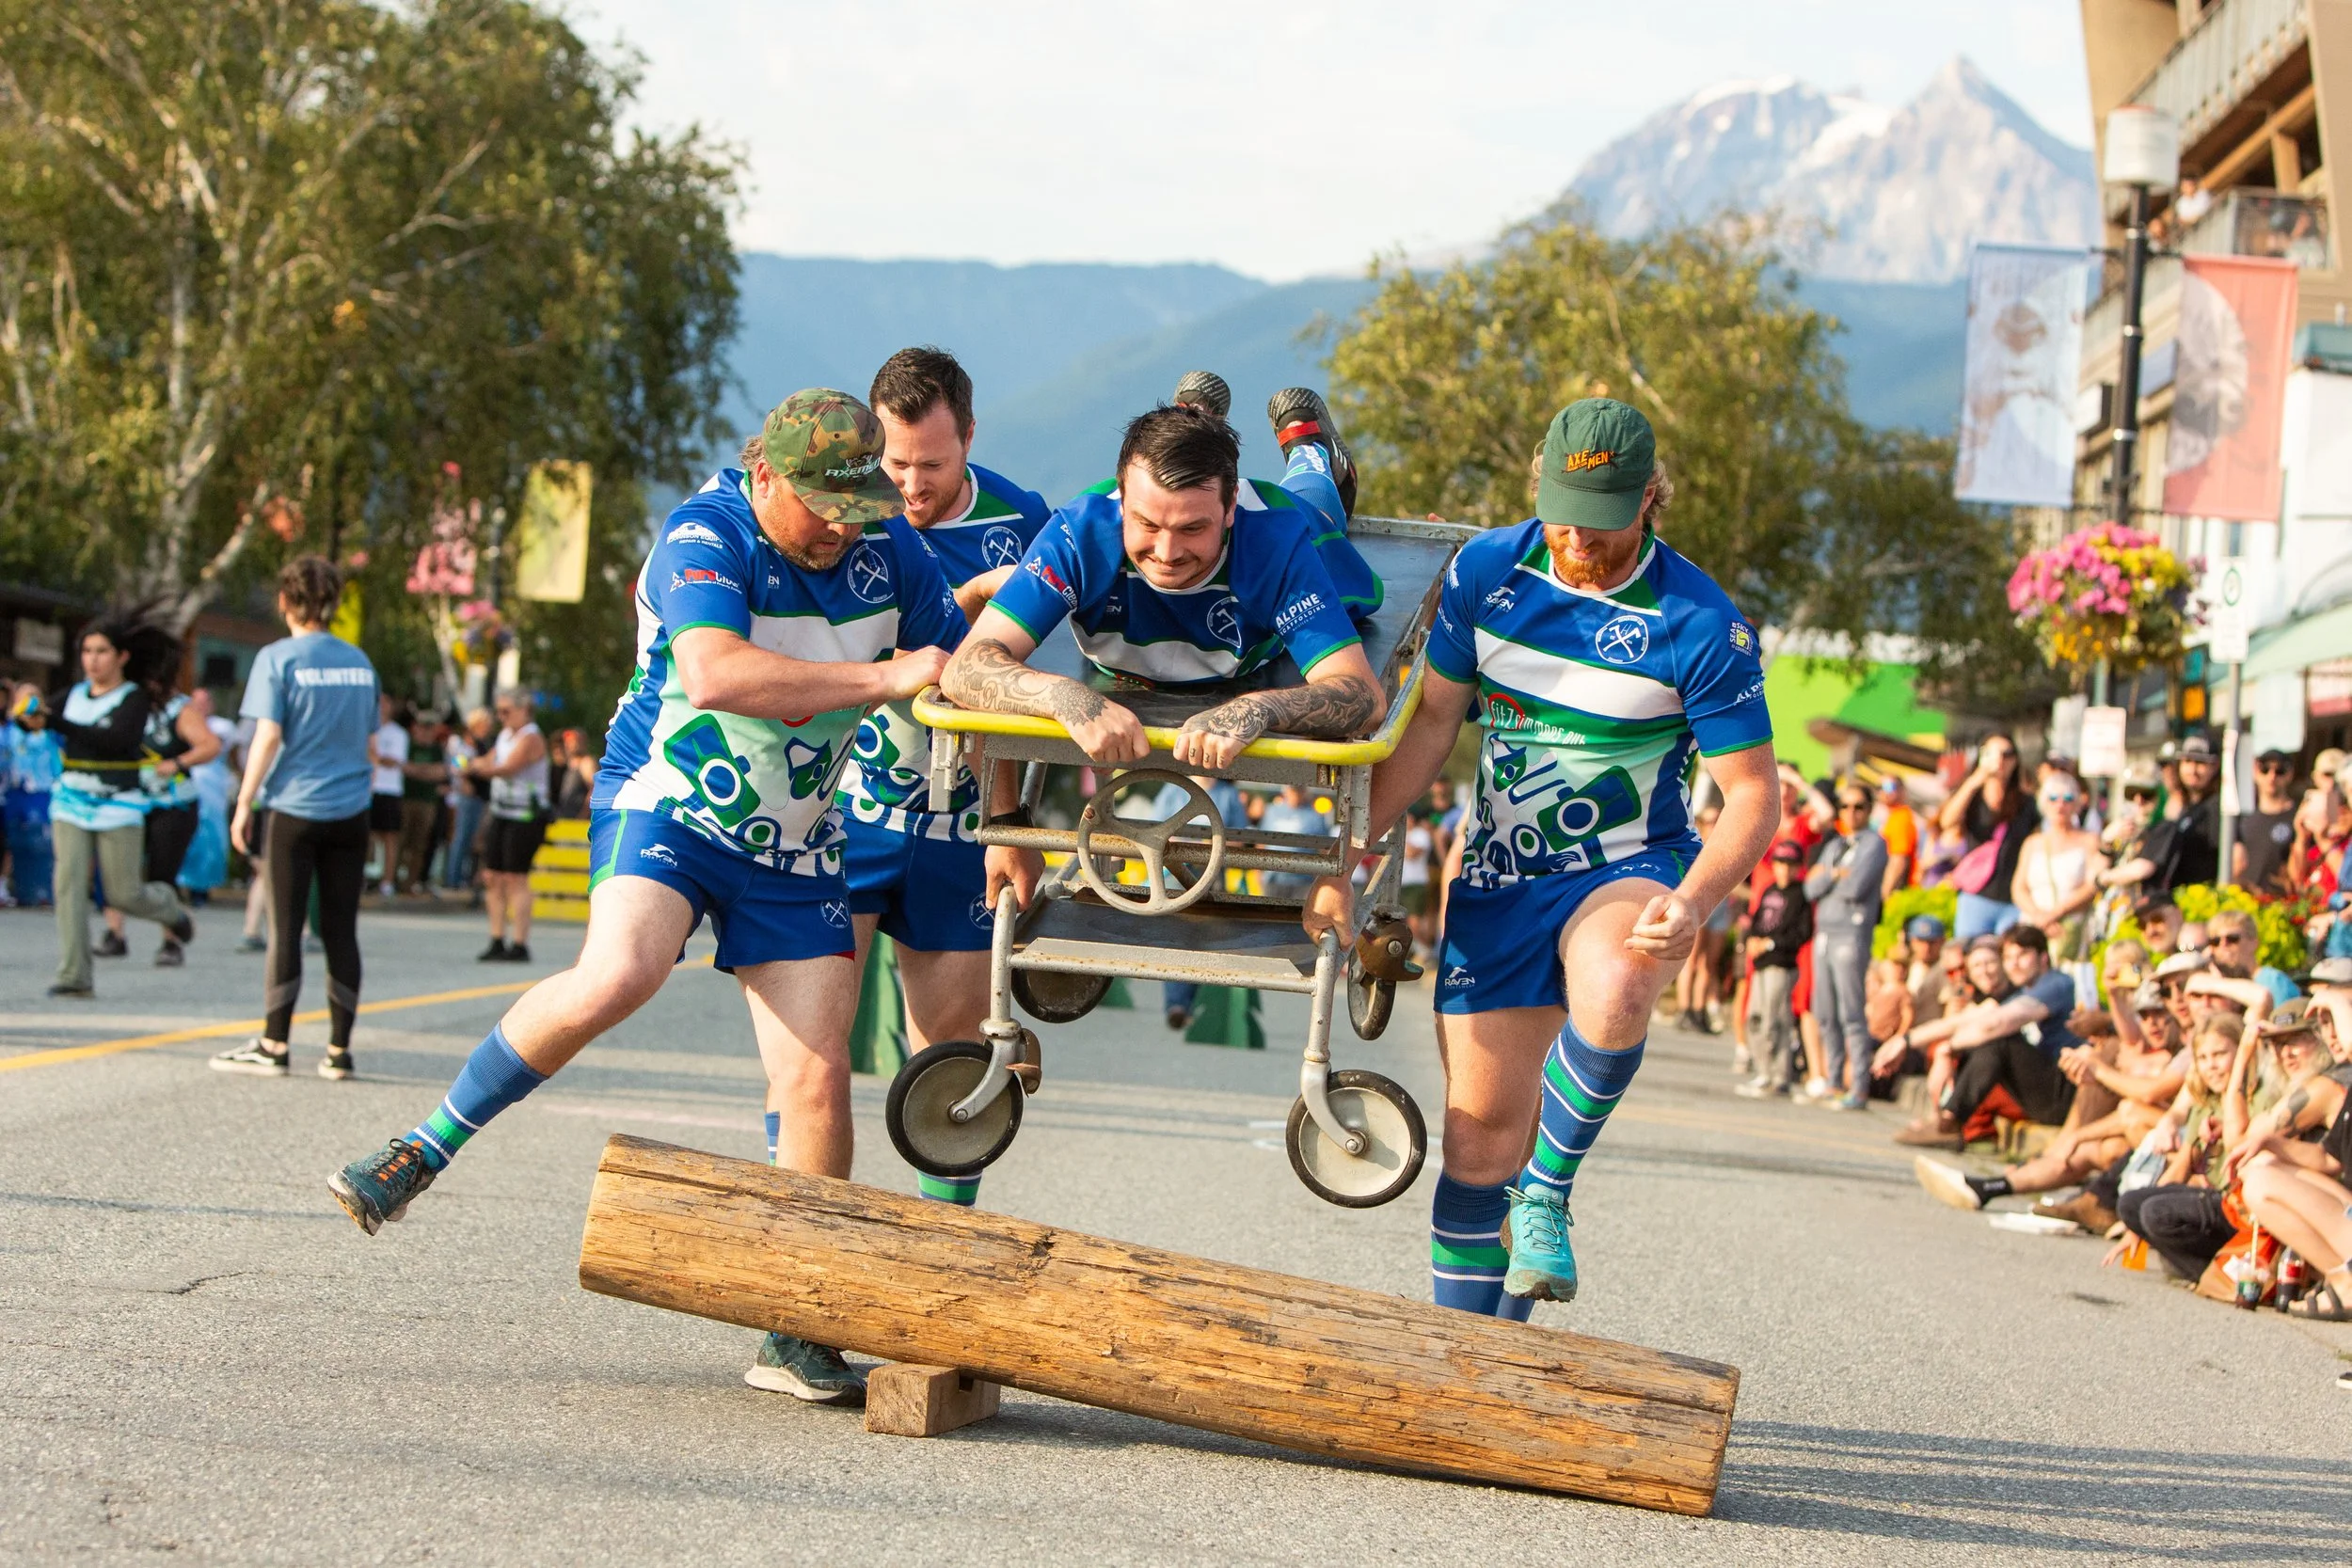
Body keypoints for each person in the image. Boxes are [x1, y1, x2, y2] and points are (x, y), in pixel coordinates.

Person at [329, 388, 961, 1409]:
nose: (843, 526)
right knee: (621, 969)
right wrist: (888, 678)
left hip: (796, 835)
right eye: (820, 504)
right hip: (670, 797)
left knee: (816, 1080)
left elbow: (958, 668)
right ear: (765, 476)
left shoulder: (894, 553)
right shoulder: (703, 533)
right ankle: (422, 1146)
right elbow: (713, 673)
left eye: (859, 504)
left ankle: (792, 1324)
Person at [1297, 397, 1779, 1311]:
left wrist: (1700, 896)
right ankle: (1471, 1359)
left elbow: (1755, 793)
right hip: (1497, 877)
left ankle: (1549, 1190)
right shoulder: (1488, 569)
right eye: (1561, 516)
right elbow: (1434, 722)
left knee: (1623, 972)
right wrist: (1348, 854)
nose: (1577, 542)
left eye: (1600, 525)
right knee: (1478, 1144)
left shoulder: (1698, 621)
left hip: (1625, 863)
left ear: (1649, 503)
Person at [834, 349, 1050, 1189]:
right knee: (814, 1048)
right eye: (893, 463)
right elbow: (863, 647)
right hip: (847, 811)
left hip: (965, 824)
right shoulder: (844, 508)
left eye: (931, 464)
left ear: (969, 437)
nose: (910, 487)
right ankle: (802, 1254)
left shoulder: (1022, 519)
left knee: (951, 1054)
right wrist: (971, 600)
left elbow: (1041, 680)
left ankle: (940, 1257)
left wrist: (1016, 826)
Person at [941, 402, 1384, 797]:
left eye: (1192, 528)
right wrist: (1064, 698)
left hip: (1292, 526)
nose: (1167, 553)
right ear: (1121, 502)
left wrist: (1259, 708)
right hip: (1140, 654)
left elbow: (1362, 694)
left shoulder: (1277, 542)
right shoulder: (1079, 533)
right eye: (1147, 524)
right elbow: (964, 668)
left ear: (1230, 509)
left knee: (1321, 508)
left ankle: (1309, 449)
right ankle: (1195, 420)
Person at [209, 557, 382, 1078]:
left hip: (293, 808)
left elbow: (267, 736)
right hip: (351, 811)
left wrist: (244, 802)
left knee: (285, 929)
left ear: (284, 601)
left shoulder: (277, 658)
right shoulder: (360, 663)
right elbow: (369, 745)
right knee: (340, 930)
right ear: (331, 604)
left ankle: (275, 1045)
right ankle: (338, 1053)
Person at [46, 619, 198, 998]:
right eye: (87, 652)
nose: (92, 661)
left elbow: (116, 740)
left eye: (101, 652)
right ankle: (74, 976)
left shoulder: (134, 699)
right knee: (69, 886)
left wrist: (56, 722)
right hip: (71, 802)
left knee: (123, 893)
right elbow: (41, 719)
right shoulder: (73, 696)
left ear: (121, 656)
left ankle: (171, 912)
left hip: (119, 806)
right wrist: (30, 713)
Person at [1805, 781, 1886, 1110]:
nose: (1851, 813)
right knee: (1825, 1012)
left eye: (1859, 807)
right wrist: (1833, 874)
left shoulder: (1874, 845)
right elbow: (1810, 888)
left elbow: (1855, 886)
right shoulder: (1836, 844)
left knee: (1851, 1012)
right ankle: (1834, 1080)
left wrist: (1832, 876)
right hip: (1824, 931)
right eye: (1845, 807)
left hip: (1850, 934)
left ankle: (1860, 1086)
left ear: (1869, 811)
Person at [466, 689, 549, 962]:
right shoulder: (505, 736)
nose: (501, 717)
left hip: (526, 816)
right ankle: (497, 938)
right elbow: (489, 760)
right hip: (502, 812)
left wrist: (475, 768)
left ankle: (520, 943)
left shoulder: (531, 737)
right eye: (498, 711)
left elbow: (507, 767)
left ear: (524, 709)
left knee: (516, 877)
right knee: (492, 876)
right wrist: (472, 764)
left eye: (506, 711)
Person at [1940, 733, 2034, 939]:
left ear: (2015, 760)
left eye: (2007, 754)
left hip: (2012, 899)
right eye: (1992, 753)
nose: (2000, 761)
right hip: (1977, 895)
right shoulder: (1973, 797)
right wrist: (1974, 781)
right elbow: (1947, 821)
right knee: (1971, 954)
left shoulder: (2027, 803)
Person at [1737, 842, 1812, 1099]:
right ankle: (1762, 1070)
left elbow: (1803, 933)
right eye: (1780, 863)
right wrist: (1753, 940)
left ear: (1798, 868)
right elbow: (1758, 922)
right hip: (1761, 964)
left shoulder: (1800, 895)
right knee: (1755, 1018)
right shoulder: (1769, 891)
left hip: (1782, 964)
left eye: (1790, 865)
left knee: (1776, 1020)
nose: (1784, 870)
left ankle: (1779, 1076)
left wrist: (1771, 943)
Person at [2012, 768, 2100, 964]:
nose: (2060, 805)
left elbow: (2092, 886)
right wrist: (2039, 917)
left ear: (2077, 804)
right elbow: (2018, 888)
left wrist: (2055, 914)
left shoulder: (2089, 841)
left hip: (2069, 928)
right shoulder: (2032, 842)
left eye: (2067, 798)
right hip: (2033, 927)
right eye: (2053, 798)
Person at [6, 684, 61, 907]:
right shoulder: (10, 728)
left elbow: (57, 760)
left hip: (43, 791)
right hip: (16, 791)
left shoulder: (50, 730)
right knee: (17, 841)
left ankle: (43, 891)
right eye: (25, 698)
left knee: (43, 843)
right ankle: (20, 888)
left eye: (34, 697)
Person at [2206, 905, 2298, 1008]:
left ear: (2254, 943)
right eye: (2215, 941)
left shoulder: (2273, 982)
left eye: (2232, 939)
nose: (2223, 945)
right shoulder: (2211, 982)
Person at [442, 706, 493, 895]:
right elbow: (456, 766)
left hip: (480, 796)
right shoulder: (460, 743)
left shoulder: (482, 744)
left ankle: (463, 877)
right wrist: (463, 779)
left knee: (473, 840)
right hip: (466, 797)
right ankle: (452, 879)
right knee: (461, 837)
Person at [397, 711, 450, 891]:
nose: (426, 733)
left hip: (427, 802)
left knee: (420, 844)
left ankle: (411, 883)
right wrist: (427, 772)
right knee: (401, 840)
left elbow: (441, 772)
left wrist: (417, 770)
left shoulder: (437, 750)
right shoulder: (408, 746)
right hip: (407, 798)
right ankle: (393, 880)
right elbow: (404, 767)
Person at [2235, 750, 2299, 895]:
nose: (2272, 776)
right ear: (2255, 772)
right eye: (2265, 769)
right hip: (2246, 902)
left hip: (2282, 903)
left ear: (2290, 774)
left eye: (2280, 771)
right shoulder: (2243, 819)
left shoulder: (2297, 818)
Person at [365, 694, 409, 899]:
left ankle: (387, 881)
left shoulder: (398, 733)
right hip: (367, 789)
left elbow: (393, 761)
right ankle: (364, 877)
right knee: (365, 836)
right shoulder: (366, 728)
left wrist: (374, 755)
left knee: (390, 838)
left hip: (390, 790)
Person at [1876, 773, 1917, 895]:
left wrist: (1885, 893)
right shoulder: (1893, 817)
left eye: (1889, 787)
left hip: (1898, 890)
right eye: (1879, 787)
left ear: (1901, 790)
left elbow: (1898, 860)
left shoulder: (1901, 818)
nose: (1883, 791)